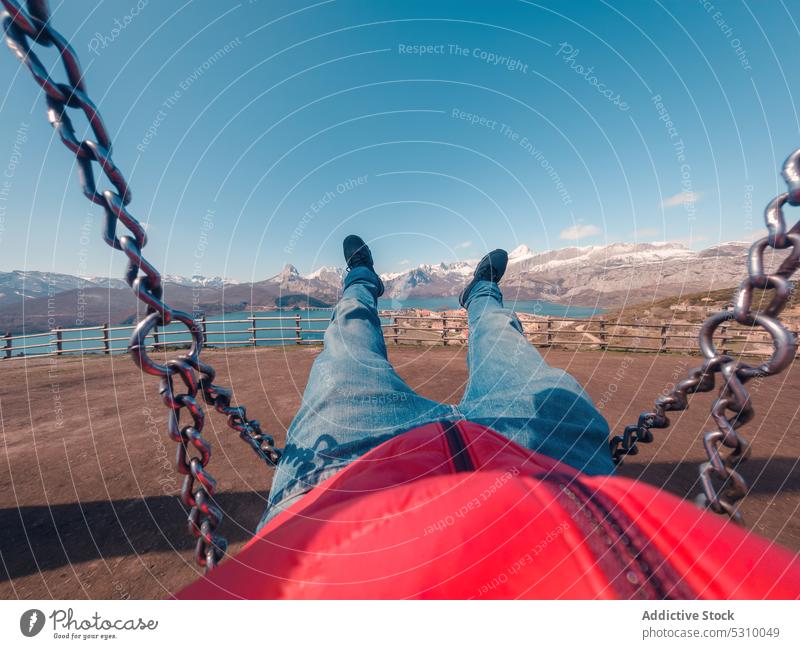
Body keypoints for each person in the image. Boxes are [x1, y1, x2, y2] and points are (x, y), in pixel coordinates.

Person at [179, 236, 800, 599]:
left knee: (347, 344)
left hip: (341, 478)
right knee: (509, 342)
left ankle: (359, 283)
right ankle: (480, 295)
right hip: (556, 469)